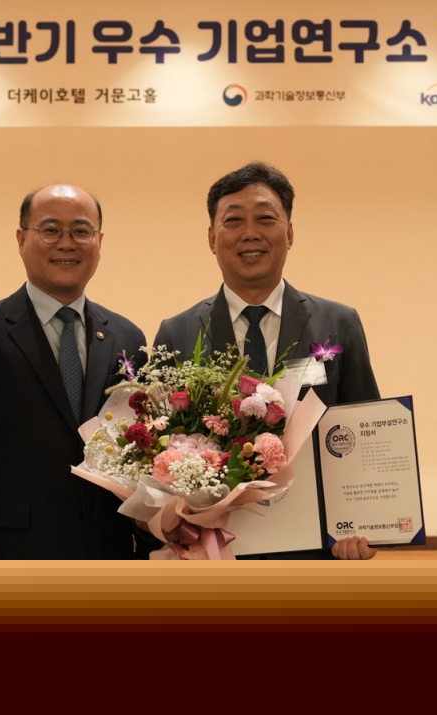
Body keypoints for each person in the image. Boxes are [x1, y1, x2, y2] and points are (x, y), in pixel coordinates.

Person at [154, 161, 380, 560]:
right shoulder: (178, 334)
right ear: (211, 237)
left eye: (265, 218)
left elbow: (362, 432)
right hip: (214, 553)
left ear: (290, 232)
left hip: (318, 551)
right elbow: (159, 448)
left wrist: (360, 524)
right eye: (234, 220)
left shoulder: (338, 323)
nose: (250, 233)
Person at [0, 184, 146, 559]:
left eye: (81, 231)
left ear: (99, 241)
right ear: (21, 238)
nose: (67, 243)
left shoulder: (126, 337)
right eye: (50, 230)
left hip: (109, 552)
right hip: (14, 555)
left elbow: (142, 455)